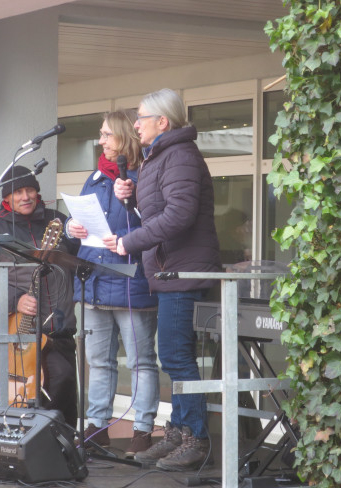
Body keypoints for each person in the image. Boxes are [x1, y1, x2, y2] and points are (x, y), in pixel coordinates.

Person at [112, 88, 221, 471]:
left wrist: (129, 241)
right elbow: (158, 209)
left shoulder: (179, 155)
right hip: (169, 270)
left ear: (163, 121)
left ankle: (195, 438)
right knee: (171, 356)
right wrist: (130, 198)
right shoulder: (158, 157)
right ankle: (178, 431)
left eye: (141, 117)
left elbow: (178, 215)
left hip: (184, 272)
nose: (136, 124)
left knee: (176, 355)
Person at [65, 109, 159, 457]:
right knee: (99, 362)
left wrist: (131, 201)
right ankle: (97, 427)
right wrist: (69, 229)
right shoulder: (96, 176)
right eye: (100, 134)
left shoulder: (144, 172)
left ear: (124, 137)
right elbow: (80, 221)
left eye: (106, 134)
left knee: (141, 361)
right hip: (94, 281)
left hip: (131, 282)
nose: (101, 140)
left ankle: (142, 431)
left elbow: (157, 223)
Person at [0, 168, 80, 427]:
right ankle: (12, 439)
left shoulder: (57, 220)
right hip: (19, 334)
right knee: (8, 391)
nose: (26, 197)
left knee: (63, 384)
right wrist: (16, 302)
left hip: (59, 326)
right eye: (18, 192)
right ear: (6, 197)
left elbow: (82, 262)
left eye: (30, 190)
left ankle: (63, 446)